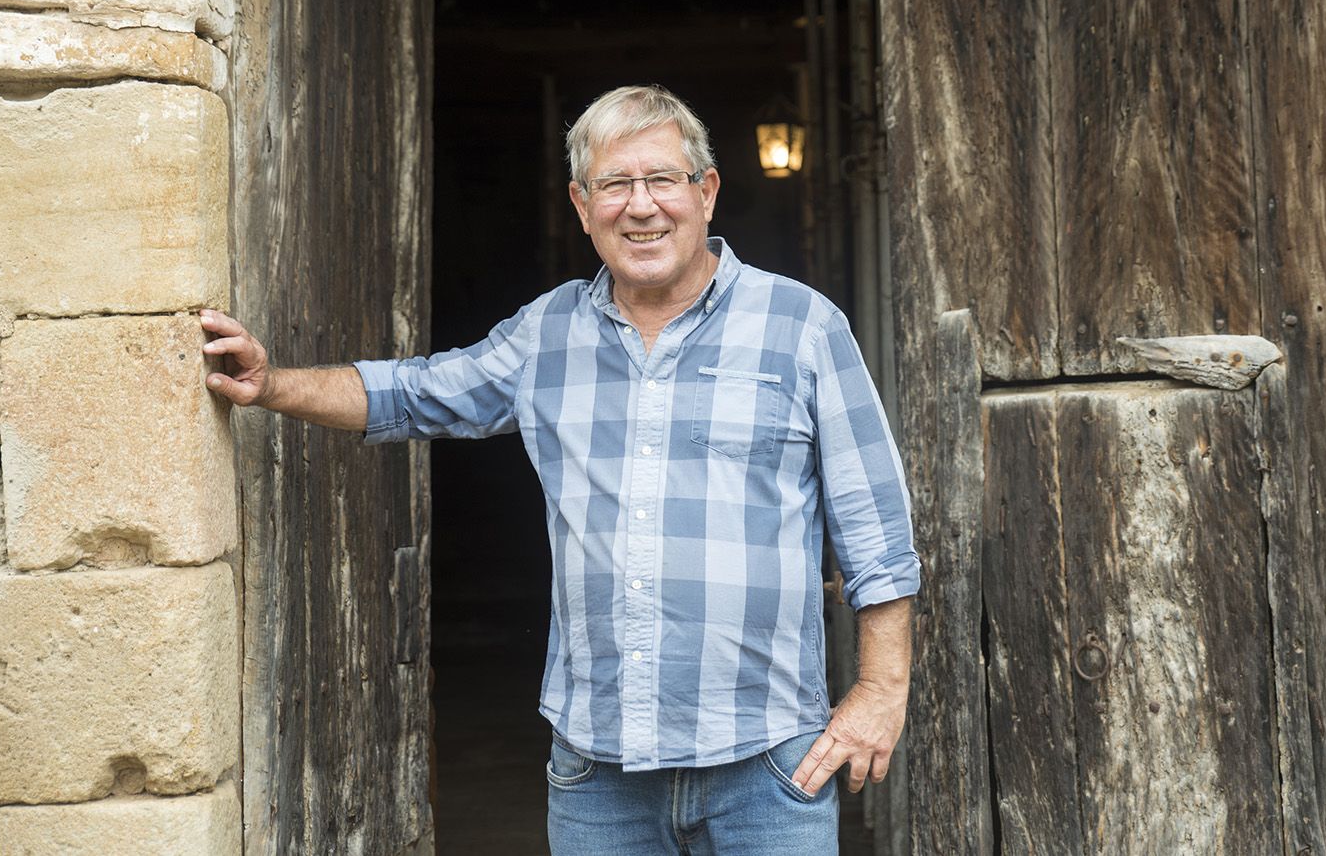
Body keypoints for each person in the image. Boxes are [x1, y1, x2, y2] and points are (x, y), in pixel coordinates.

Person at [200, 84, 919, 854]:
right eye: (614, 185)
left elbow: (876, 528)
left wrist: (881, 691)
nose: (640, 206)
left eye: (662, 180)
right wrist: (271, 386)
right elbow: (415, 392)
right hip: (598, 777)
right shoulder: (546, 334)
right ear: (582, 206)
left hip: (771, 767)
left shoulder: (802, 326)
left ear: (705, 192)